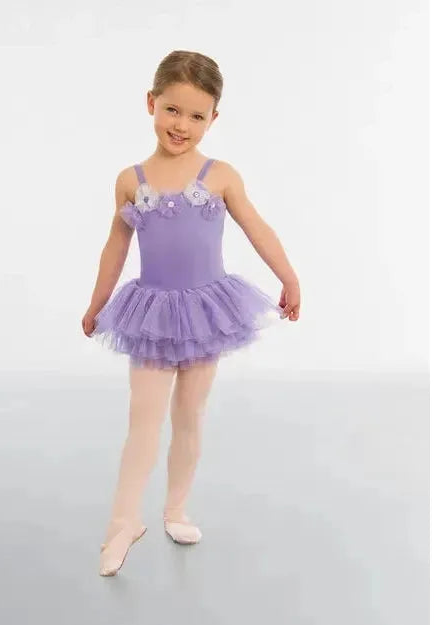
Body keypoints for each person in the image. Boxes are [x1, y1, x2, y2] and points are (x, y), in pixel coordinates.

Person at [81, 50, 301, 576]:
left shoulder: (219, 176)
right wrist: (97, 302)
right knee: (143, 421)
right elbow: (115, 247)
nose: (182, 125)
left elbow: (257, 228)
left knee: (189, 416)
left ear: (213, 118)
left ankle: (175, 509)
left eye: (196, 116)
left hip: (206, 311)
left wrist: (289, 277)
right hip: (153, 314)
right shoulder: (131, 180)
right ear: (151, 103)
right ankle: (122, 523)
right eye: (172, 110)